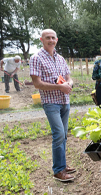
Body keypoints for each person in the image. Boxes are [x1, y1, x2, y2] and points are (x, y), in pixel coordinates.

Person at [30, 29, 76, 182]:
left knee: (63, 136)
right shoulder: (36, 58)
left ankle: (62, 165)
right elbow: (37, 84)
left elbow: (69, 78)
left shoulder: (60, 58)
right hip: (51, 102)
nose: (51, 40)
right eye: (47, 38)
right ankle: (58, 171)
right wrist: (60, 87)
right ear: (41, 40)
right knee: (58, 134)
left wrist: (69, 84)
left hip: (64, 101)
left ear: (57, 40)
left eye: (53, 38)